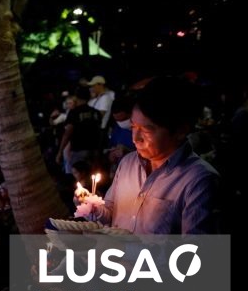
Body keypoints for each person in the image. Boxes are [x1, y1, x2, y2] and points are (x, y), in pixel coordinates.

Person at [84, 76, 220, 234]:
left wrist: (133, 247)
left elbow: (196, 247)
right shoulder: (128, 163)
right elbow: (110, 215)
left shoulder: (199, 181)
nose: (135, 138)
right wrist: (92, 207)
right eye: (133, 127)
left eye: (146, 130)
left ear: (180, 131)